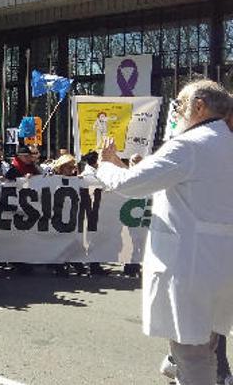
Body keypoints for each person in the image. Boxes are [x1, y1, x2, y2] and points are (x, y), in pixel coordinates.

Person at [96, 80, 233, 385]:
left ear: (199, 106)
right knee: (206, 346)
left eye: (181, 105)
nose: (178, 112)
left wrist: (106, 165)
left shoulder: (189, 144)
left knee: (191, 352)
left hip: (190, 266)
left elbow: (129, 184)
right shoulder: (224, 142)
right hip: (220, 264)